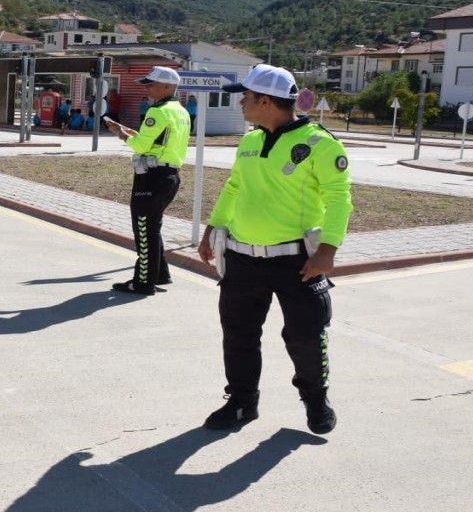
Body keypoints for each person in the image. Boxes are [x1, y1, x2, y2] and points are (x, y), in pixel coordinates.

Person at [196, 64, 353, 436]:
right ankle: (241, 402)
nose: (241, 104)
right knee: (238, 335)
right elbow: (234, 188)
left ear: (265, 101)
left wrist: (327, 250)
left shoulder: (320, 144)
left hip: (298, 263)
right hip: (242, 258)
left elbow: (339, 199)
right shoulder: (250, 141)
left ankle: (315, 399)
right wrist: (212, 230)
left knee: (305, 337)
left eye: (245, 97)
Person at [105, 66, 190, 296]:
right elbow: (156, 141)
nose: (147, 88)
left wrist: (119, 133)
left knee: (144, 229)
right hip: (170, 174)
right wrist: (130, 131)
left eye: (151, 84)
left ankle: (143, 282)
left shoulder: (158, 111)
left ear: (167, 86)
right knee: (153, 227)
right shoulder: (180, 111)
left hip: (152, 176)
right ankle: (159, 273)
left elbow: (142, 146)